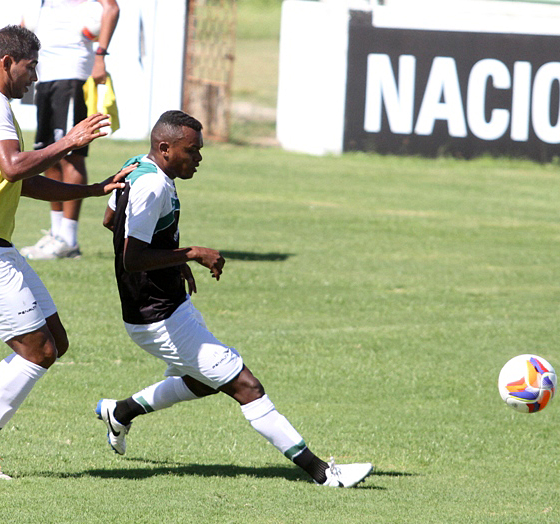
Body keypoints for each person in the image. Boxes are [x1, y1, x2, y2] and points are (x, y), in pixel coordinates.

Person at [96, 110, 373, 487]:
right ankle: (324, 474)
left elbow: (112, 221)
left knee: (204, 381)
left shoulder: (137, 167)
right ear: (165, 148)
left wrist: (169, 262)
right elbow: (131, 257)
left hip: (169, 304)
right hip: (155, 317)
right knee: (246, 385)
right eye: (192, 151)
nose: (199, 159)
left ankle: (121, 411)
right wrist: (190, 253)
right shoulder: (153, 186)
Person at [0, 24, 135, 479]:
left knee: (54, 341)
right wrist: (68, 141)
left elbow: (20, 178)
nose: (35, 76)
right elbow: (13, 166)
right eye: (30, 66)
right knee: (38, 351)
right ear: (7, 62)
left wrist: (95, 187)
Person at [19, 0, 120, 260]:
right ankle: (56, 234)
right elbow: (24, 25)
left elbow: (111, 8)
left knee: (72, 154)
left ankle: (69, 238)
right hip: (45, 76)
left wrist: (101, 55)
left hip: (73, 72)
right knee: (48, 153)